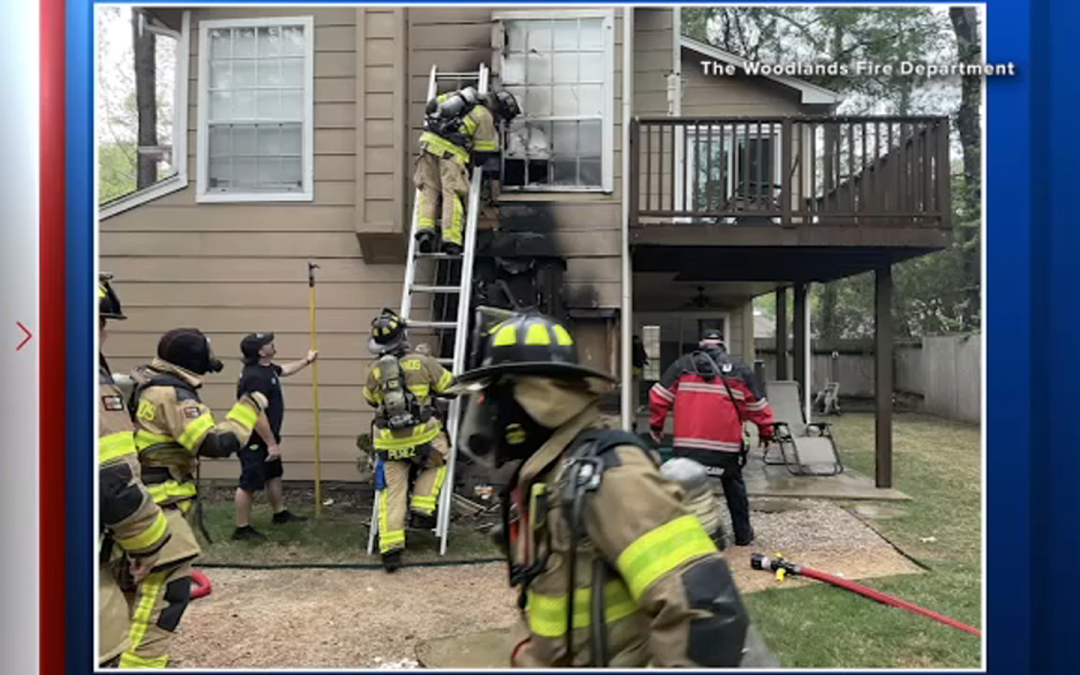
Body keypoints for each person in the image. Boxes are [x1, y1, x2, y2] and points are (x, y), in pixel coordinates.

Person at [451, 311, 753, 667]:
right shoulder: (551, 475)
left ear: (534, 398)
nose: (485, 414)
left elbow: (707, 612)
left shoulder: (611, 475)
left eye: (489, 398)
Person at [125, 328, 269, 667]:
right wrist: (247, 409)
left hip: (138, 497)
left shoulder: (146, 380)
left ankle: (119, 655)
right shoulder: (174, 395)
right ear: (195, 360)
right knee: (167, 591)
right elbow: (212, 444)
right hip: (160, 503)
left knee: (136, 585)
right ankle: (139, 663)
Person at [97, 274, 173, 668]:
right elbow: (111, 479)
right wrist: (146, 543)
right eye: (101, 322)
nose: (104, 334)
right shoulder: (90, 386)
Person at [648, 329, 774, 546]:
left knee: (684, 488)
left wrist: (656, 426)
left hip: (687, 446)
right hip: (726, 447)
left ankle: (684, 537)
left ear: (701, 346)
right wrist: (766, 432)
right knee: (734, 485)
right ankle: (743, 535)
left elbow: (658, 396)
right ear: (722, 346)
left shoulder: (682, 366)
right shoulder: (740, 370)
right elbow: (759, 407)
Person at [362, 309, 456, 572]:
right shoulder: (422, 362)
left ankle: (391, 550)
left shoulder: (375, 370)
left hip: (388, 443)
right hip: (422, 439)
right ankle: (422, 507)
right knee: (439, 459)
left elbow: (370, 399)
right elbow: (449, 386)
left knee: (392, 492)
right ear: (403, 336)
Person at [414, 86, 520, 255]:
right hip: (450, 155)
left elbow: (432, 106)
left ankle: (425, 232)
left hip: (427, 146)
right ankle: (451, 240)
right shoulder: (484, 115)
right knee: (453, 193)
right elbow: (483, 153)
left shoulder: (459, 98)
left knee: (428, 191)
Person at [231, 332, 318, 541]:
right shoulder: (254, 377)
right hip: (253, 439)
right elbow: (256, 415)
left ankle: (279, 513)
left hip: (268, 436)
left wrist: (306, 361)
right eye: (268, 343)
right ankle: (241, 528)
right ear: (261, 351)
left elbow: (284, 370)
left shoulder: (267, 369)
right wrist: (271, 444)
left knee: (273, 474)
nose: (272, 344)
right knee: (249, 482)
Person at [631, 334, 649, 415]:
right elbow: (643, 355)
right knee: (634, 386)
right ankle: (634, 405)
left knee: (635, 385)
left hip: (636, 367)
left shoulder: (636, 346)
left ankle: (635, 405)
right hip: (634, 367)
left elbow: (643, 355)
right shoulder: (634, 347)